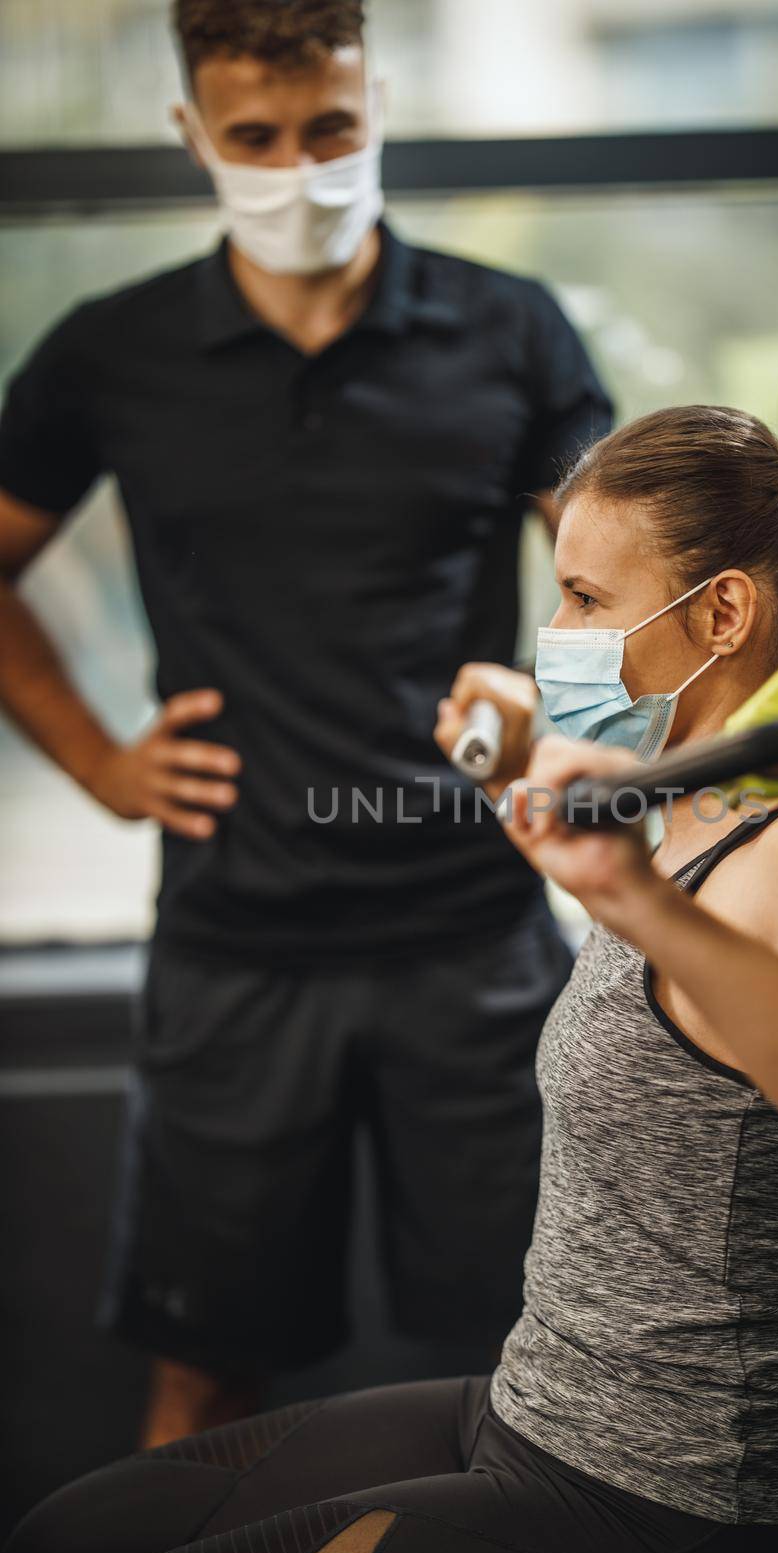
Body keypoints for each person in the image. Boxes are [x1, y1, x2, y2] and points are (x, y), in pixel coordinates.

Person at [1, 406, 778, 1553]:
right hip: (528, 1408)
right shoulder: (685, 818)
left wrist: (637, 902)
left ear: (721, 614)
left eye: (585, 599)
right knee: (56, 1542)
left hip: (660, 1502)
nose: (552, 635)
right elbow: (646, 942)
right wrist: (522, 781)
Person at [0, 0, 611, 1445]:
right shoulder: (111, 351)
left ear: (375, 102)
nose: (297, 165)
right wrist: (95, 759)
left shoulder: (511, 328)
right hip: (236, 957)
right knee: (205, 1377)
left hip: (479, 947)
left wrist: (557, 692)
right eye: (254, 138)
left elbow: (632, 594)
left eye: (327, 128)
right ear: (193, 134)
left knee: (547, 1367)